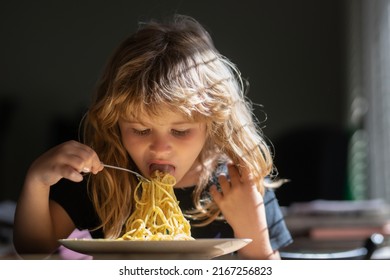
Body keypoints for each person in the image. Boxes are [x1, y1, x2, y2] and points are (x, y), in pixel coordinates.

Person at [13, 14, 292, 259]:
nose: (160, 148)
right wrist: (37, 180)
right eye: (140, 130)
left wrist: (253, 233)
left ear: (213, 124)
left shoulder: (239, 184)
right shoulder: (103, 179)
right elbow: (33, 250)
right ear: (115, 123)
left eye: (180, 131)